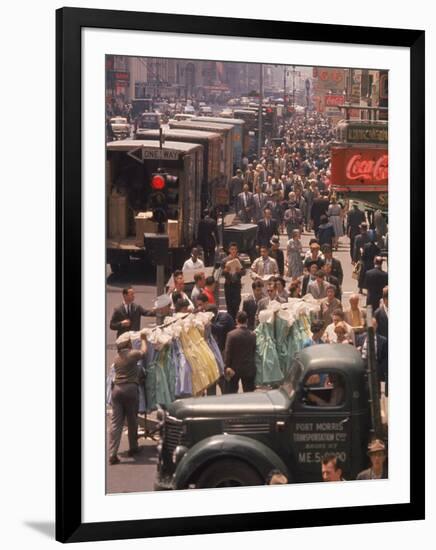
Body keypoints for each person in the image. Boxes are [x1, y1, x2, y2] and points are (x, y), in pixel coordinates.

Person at [109, 331, 147, 464]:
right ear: (128, 343)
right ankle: (133, 447)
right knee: (132, 420)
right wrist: (143, 339)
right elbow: (144, 352)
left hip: (117, 390)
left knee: (116, 423)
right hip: (130, 390)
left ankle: (112, 454)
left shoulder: (116, 358)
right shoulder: (132, 354)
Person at [224, 311, 257, 394]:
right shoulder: (253, 335)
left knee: (232, 394)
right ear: (247, 321)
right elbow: (254, 350)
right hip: (249, 368)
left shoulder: (231, 335)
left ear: (236, 320)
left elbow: (228, 352)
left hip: (234, 369)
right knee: (249, 394)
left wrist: (226, 366)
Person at [357, 317, 388, 395]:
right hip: (363, 366)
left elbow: (385, 358)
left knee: (376, 392)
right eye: (370, 326)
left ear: (376, 326)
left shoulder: (383, 340)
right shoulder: (360, 338)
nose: (371, 328)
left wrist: (380, 370)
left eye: (374, 325)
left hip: (375, 367)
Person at [221, 242, 245, 320]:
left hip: (237, 285)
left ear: (237, 250)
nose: (233, 251)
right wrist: (225, 271)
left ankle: (236, 320)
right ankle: (230, 321)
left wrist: (239, 271)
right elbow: (221, 273)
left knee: (236, 304)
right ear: (229, 250)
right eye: (232, 249)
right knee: (229, 304)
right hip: (228, 285)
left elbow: (244, 272)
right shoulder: (224, 260)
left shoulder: (240, 260)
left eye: (235, 249)